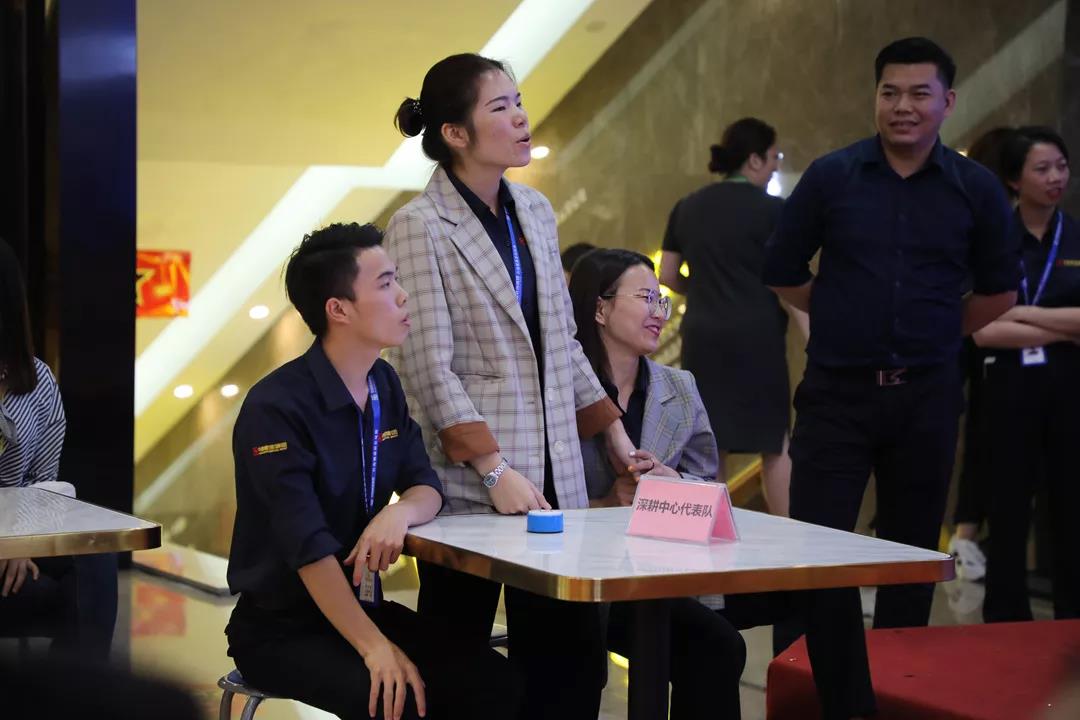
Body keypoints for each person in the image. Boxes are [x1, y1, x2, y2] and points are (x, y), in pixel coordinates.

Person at [762, 37, 1020, 719]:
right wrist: (842, 314)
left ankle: (899, 695)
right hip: (836, 396)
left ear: (947, 101)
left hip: (926, 396)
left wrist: (935, 333)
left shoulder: (975, 188)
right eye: (890, 92)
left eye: (918, 93)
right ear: (875, 97)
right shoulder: (833, 176)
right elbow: (782, 270)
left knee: (911, 559)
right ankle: (846, 703)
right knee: (821, 556)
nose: (903, 106)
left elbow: (1000, 292)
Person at [385, 53, 646, 720]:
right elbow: (426, 365)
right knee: (458, 657)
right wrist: (493, 467)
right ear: (455, 133)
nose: (521, 117)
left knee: (570, 662)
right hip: (471, 480)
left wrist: (615, 436)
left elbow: (561, 340)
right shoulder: (419, 225)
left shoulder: (534, 208)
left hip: (555, 470)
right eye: (500, 107)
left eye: (519, 101)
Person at [224, 223, 519, 720]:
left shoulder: (383, 382)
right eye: (385, 284)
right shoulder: (276, 407)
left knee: (493, 683)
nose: (403, 295)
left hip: (362, 605)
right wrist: (374, 647)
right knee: (397, 699)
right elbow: (308, 548)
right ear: (338, 310)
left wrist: (397, 514)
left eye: (396, 279)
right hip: (281, 626)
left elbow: (426, 485)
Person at [569, 248, 747, 719]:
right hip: (584, 580)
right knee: (713, 644)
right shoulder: (559, 393)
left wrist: (674, 482)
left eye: (662, 300)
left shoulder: (679, 387)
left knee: (719, 645)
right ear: (600, 309)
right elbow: (535, 500)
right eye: (645, 298)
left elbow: (708, 483)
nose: (658, 312)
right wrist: (605, 504)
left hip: (665, 572)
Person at [660, 117, 806, 513]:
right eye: (773, 157)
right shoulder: (774, 210)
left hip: (703, 337)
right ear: (754, 159)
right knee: (774, 443)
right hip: (757, 336)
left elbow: (667, 274)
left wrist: (701, 288)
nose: (775, 166)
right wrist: (814, 336)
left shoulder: (687, 207)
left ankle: (709, 530)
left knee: (711, 442)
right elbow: (791, 280)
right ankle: (789, 538)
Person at [972, 127, 1080, 623]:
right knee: (1008, 509)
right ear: (1015, 179)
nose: (1056, 177)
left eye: (1062, 166)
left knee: (1070, 508)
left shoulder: (1074, 235)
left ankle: (1071, 620)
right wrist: (1062, 326)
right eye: (1043, 169)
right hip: (1008, 390)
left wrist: (1021, 314)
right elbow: (982, 330)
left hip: (1069, 389)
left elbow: (1003, 319)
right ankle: (1006, 622)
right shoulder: (993, 239)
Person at [0, 239, 116, 660]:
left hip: (15, 542)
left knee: (94, 559)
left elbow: (44, 485)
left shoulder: (38, 381)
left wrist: (23, 545)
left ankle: (79, 690)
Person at [948, 126, 1016, 581]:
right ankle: (965, 535)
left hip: (967, 335)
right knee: (979, 433)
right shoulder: (987, 214)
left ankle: (967, 533)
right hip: (968, 338)